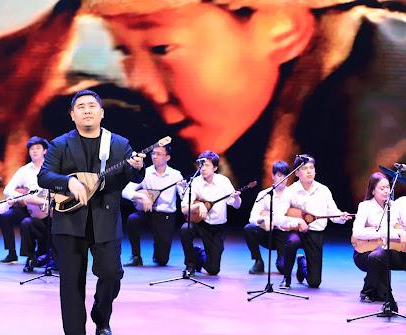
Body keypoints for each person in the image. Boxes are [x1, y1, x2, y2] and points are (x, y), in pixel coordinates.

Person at [80, 0, 406, 206]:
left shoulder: (377, 111)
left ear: (282, 28)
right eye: (123, 51)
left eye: (161, 48)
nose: (143, 85)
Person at [37, 89, 145, 335]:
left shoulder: (118, 144)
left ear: (101, 113)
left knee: (111, 273)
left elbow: (132, 175)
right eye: (81, 106)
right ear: (72, 115)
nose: (87, 110)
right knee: (71, 283)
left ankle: (101, 314)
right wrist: (68, 181)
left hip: (105, 220)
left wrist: (137, 167)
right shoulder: (60, 144)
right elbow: (44, 176)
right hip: (69, 221)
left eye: (92, 106)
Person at [284, 154, 352, 288]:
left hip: (315, 233)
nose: (309, 171)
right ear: (296, 173)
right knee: (292, 242)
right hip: (296, 231)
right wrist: (297, 223)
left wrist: (341, 216)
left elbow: (333, 213)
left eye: (311, 168)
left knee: (314, 282)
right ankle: (286, 278)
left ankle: (302, 263)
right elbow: (283, 214)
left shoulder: (323, 190)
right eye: (304, 168)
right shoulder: (290, 191)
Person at [122, 143, 185, 267]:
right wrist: (143, 197)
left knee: (161, 260)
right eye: (153, 153)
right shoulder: (146, 172)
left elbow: (184, 196)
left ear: (167, 157)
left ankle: (159, 251)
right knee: (133, 219)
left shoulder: (175, 175)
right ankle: (136, 257)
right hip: (147, 212)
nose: (154, 156)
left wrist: (184, 188)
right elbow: (125, 192)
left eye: (159, 154)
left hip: (166, 215)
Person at [180, 151, 241, 276]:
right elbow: (184, 209)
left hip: (217, 227)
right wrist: (199, 205)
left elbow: (236, 205)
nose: (203, 168)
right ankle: (190, 265)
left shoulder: (223, 181)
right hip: (200, 223)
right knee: (186, 228)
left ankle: (198, 253)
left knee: (213, 270)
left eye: (207, 165)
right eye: (201, 165)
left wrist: (236, 198)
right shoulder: (195, 182)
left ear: (215, 168)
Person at [243, 160, 302, 288]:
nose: (282, 179)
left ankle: (300, 261)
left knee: (282, 268)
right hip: (268, 233)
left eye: (285, 175)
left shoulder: (292, 195)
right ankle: (258, 261)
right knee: (249, 229)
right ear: (273, 176)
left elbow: (299, 217)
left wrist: (273, 216)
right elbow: (252, 217)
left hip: (284, 235)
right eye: (279, 175)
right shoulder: (264, 194)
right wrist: (263, 219)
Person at [352, 173, 406, 303]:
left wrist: (399, 231)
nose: (386, 191)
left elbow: (401, 227)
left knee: (384, 254)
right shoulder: (365, 206)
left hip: (387, 249)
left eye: (388, 187)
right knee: (378, 255)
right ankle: (368, 291)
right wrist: (384, 233)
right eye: (382, 188)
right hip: (365, 252)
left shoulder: (394, 206)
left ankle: (380, 292)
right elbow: (357, 232)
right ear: (373, 191)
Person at [0, 137, 50, 264]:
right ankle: (11, 253)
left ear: (45, 151)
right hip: (29, 208)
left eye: (38, 148)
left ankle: (44, 254)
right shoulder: (24, 170)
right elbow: (7, 190)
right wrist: (22, 198)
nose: (35, 151)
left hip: (48, 210)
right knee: (6, 216)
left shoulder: (51, 168)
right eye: (32, 149)